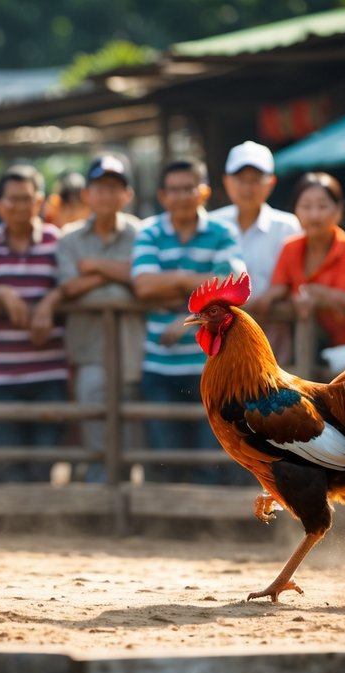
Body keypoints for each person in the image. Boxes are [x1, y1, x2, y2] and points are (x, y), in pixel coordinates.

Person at [130, 158, 246, 484]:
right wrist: (192, 281)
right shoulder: (150, 231)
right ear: (162, 195)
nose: (182, 196)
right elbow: (143, 285)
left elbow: (232, 286)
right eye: (174, 190)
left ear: (204, 192)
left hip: (212, 364)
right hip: (159, 365)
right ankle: (168, 529)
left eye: (188, 188)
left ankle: (209, 530)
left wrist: (184, 313)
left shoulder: (222, 231)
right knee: (165, 457)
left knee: (213, 455)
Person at [42, 155, 143, 483]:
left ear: (126, 195)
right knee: (94, 429)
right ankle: (98, 501)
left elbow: (143, 282)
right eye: (99, 187)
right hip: (88, 351)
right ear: (87, 193)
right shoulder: (69, 239)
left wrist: (96, 268)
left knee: (131, 433)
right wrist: (119, 274)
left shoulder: (142, 235)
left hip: (133, 348)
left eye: (114, 188)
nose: (105, 195)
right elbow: (69, 287)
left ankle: (127, 501)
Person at [0, 164, 68, 484]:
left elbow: (71, 287)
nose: (20, 206)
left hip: (50, 370)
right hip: (3, 373)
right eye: (12, 199)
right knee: (7, 461)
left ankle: (38, 528)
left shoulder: (57, 241)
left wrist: (49, 304)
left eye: (26, 198)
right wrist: (2, 293)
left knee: (44, 460)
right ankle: (11, 528)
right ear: (0, 204)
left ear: (39, 202)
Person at [251, 172, 345, 366]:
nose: (314, 214)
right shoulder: (290, 247)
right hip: (306, 348)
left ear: (339, 210)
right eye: (306, 206)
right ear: (296, 211)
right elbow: (279, 286)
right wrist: (268, 298)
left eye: (322, 206)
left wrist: (312, 294)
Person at [213, 141, 301, 362]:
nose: (247, 187)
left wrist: (276, 292)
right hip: (219, 350)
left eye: (255, 180)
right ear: (227, 182)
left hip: (273, 349)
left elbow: (298, 279)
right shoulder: (212, 224)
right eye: (241, 179)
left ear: (270, 183)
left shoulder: (288, 226)